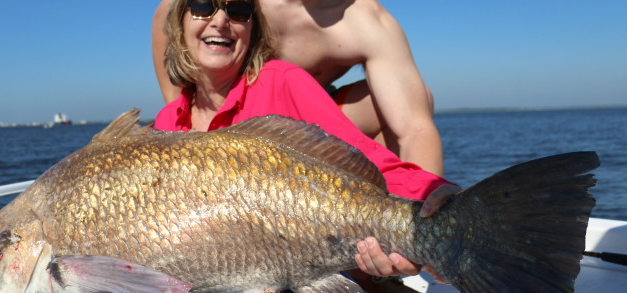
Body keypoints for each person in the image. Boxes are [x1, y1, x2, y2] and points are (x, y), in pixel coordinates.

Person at [153, 0, 459, 289]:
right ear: (178, 26)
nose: (220, 20)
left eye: (239, 10)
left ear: (253, 30)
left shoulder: (284, 79)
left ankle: (379, 273)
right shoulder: (168, 119)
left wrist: (431, 199)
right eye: (202, 6)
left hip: (301, 235)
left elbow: (366, 156)